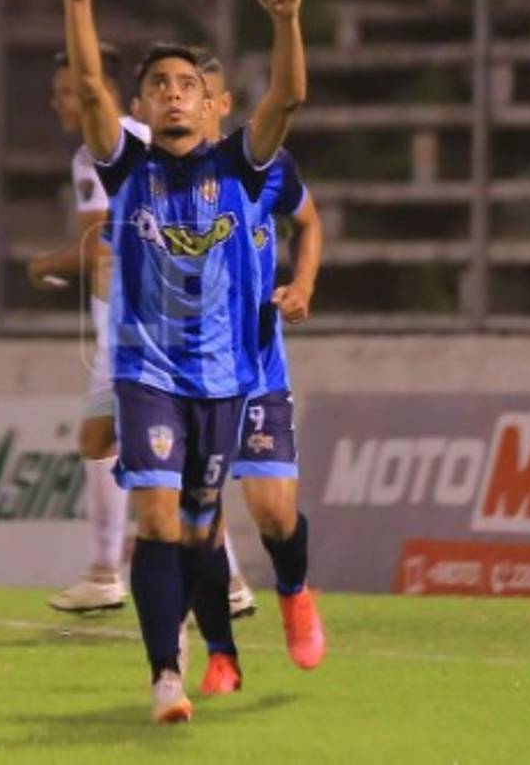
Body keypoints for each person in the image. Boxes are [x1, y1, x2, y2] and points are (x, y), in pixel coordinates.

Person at [59, 0, 310, 724]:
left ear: (210, 102)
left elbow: (289, 98)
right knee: (159, 518)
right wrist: (77, 5)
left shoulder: (239, 165)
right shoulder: (126, 167)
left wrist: (283, 21)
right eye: (157, 85)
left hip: (228, 375)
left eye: (185, 84)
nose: (172, 92)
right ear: (141, 107)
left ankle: (240, 635)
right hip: (146, 371)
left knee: (204, 532)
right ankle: (166, 674)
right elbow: (91, 90)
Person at [28, 49, 257, 618]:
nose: (62, 102)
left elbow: (99, 236)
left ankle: (126, 573)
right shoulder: (146, 135)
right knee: (105, 442)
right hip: (157, 320)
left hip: (136, 326)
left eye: (69, 89)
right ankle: (145, 573)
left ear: (98, 89)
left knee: (150, 453)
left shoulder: (102, 152)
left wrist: (43, 265)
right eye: (57, 92)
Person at [191, 51, 325, 679]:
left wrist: (302, 283)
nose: (187, 102)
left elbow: (308, 222)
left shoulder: (261, 166)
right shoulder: (158, 179)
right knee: (199, 520)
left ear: (220, 105)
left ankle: (295, 592)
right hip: (188, 375)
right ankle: (221, 655)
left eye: (201, 92)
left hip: (257, 367)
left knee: (273, 512)